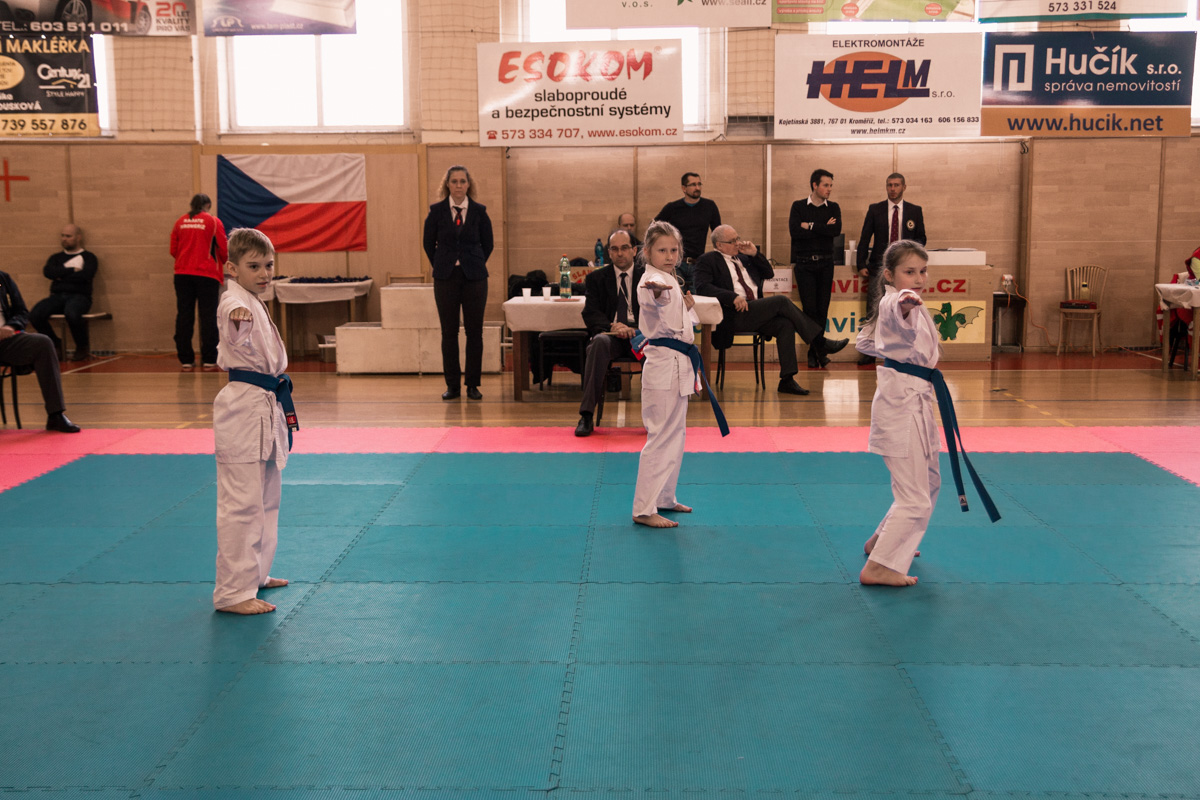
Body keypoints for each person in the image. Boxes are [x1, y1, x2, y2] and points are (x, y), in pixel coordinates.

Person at [212, 228, 293, 615]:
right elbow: (232, 320)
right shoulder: (233, 301)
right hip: (243, 409)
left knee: (266, 499)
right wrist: (236, 317)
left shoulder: (254, 299)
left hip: (265, 406)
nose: (264, 273)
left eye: (269, 265)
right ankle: (232, 593)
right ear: (232, 268)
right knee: (241, 504)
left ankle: (256, 574)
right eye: (254, 266)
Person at [854, 241, 938, 587]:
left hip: (914, 402)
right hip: (901, 408)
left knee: (928, 484)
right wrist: (903, 303)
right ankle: (879, 567)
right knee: (915, 500)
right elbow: (894, 308)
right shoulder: (896, 302)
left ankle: (882, 542)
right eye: (909, 272)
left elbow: (865, 341)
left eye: (923, 271)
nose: (918, 279)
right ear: (889, 275)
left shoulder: (912, 306)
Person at [694, 225, 848, 395]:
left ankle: (787, 380)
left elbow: (768, 274)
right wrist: (731, 297)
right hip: (733, 315)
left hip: (754, 311)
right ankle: (820, 343)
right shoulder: (707, 260)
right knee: (781, 301)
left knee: (785, 324)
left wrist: (755, 254)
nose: (738, 243)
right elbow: (702, 287)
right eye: (732, 241)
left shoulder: (744, 258)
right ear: (719, 245)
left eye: (738, 238)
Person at [632, 221, 697, 529]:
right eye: (662, 250)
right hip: (663, 366)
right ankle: (643, 509)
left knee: (676, 435)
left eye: (674, 250)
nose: (669, 256)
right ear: (647, 252)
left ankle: (664, 497)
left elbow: (681, 320)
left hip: (679, 363)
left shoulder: (671, 278)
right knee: (660, 437)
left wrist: (687, 305)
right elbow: (655, 294)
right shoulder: (652, 280)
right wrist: (659, 293)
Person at [423, 165, 494, 401]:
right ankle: (452, 385)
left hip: (475, 278)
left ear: (468, 184)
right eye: (454, 181)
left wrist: (472, 262)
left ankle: (472, 384)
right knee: (449, 332)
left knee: (475, 332)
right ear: (447, 185)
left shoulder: (479, 212)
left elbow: (488, 244)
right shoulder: (436, 212)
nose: (459, 186)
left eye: (463, 181)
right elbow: (428, 243)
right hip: (446, 278)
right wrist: (444, 263)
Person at [575, 229, 643, 437]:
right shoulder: (596, 278)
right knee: (598, 343)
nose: (620, 253)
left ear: (634, 250)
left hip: (640, 335)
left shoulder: (648, 276)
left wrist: (636, 330)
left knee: (659, 348)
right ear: (609, 253)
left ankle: (660, 417)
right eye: (614, 249)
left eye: (624, 248)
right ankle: (586, 415)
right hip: (611, 335)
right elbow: (590, 312)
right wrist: (612, 327)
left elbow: (658, 312)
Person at [856, 173, 927, 365]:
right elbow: (865, 238)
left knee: (905, 308)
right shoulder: (875, 209)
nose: (892, 189)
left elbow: (921, 238)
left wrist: (909, 255)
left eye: (896, 185)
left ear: (904, 187)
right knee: (874, 307)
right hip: (879, 267)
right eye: (889, 185)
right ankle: (870, 351)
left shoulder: (914, 211)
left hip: (904, 270)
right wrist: (861, 264)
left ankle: (904, 349)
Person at [0, 269, 81, 432]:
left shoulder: (3, 278)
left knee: (43, 343)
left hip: (5, 340)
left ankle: (55, 415)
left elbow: (21, 311)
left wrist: (11, 326)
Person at [789, 169, 842, 369]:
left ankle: (815, 352)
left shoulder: (833, 208)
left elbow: (834, 231)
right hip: (805, 264)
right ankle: (821, 349)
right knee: (809, 309)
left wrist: (810, 226)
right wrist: (822, 227)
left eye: (831, 185)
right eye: (826, 185)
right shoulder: (798, 206)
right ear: (815, 185)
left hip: (826, 264)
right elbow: (795, 232)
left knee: (822, 309)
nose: (829, 189)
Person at [170, 193, 228, 370]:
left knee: (184, 315)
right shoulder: (213, 221)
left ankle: (186, 359)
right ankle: (209, 358)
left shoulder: (180, 222)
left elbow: (173, 250)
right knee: (208, 316)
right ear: (208, 205)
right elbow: (224, 249)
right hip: (207, 275)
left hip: (182, 274)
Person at [28, 224, 99, 361]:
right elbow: (48, 272)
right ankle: (55, 343)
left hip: (80, 296)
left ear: (78, 237)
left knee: (72, 314)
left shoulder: (89, 257)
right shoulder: (56, 258)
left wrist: (60, 276)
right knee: (35, 314)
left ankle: (82, 346)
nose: (64, 239)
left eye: (68, 236)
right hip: (57, 296)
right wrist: (72, 270)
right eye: (62, 236)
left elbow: (86, 276)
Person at [654, 172, 722, 285]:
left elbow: (718, 234)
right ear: (684, 188)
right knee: (677, 294)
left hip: (698, 262)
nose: (697, 188)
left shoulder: (709, 206)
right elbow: (654, 228)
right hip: (676, 262)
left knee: (696, 295)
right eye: (693, 184)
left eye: (699, 184)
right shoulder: (672, 208)